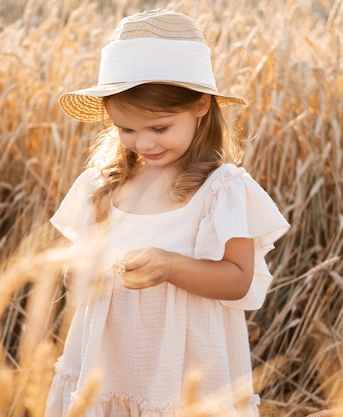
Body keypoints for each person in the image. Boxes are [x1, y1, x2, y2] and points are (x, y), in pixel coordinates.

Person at [45, 9, 289, 417]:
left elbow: (237, 280)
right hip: (108, 367)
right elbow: (78, 272)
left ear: (201, 105)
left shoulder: (221, 190)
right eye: (126, 129)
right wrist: (78, 274)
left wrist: (171, 266)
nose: (144, 143)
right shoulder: (102, 185)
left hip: (185, 373)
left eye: (158, 128)